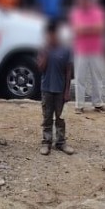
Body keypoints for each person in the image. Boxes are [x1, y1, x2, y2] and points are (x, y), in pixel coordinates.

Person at [37, 22, 75, 156]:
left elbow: (68, 71)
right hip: (46, 89)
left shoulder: (65, 50)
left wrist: (67, 91)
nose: (52, 37)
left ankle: (61, 142)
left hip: (60, 90)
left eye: (54, 34)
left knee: (60, 118)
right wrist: (46, 53)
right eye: (49, 35)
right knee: (47, 117)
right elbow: (40, 68)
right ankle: (46, 142)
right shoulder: (43, 49)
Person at [69, 0, 105, 114]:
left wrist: (85, 29)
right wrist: (92, 29)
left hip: (96, 49)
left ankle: (98, 103)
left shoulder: (98, 11)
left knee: (97, 77)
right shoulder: (75, 12)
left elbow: (101, 28)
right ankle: (79, 105)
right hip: (81, 50)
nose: (84, 1)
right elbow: (76, 30)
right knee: (80, 78)